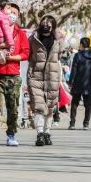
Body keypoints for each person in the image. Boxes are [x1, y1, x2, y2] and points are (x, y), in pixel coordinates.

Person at [0, 3, 29, 147]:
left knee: (12, 107)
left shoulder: (20, 33)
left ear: (18, 15)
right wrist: (0, 46)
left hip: (13, 75)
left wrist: (10, 58)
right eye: (9, 11)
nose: (11, 14)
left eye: (14, 12)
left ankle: (11, 134)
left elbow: (26, 53)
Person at [27, 15, 61, 146]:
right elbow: (28, 54)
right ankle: (40, 134)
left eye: (48, 22)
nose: (45, 23)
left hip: (52, 76)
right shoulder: (33, 38)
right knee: (39, 106)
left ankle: (47, 132)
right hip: (36, 75)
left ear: (53, 25)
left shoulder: (58, 40)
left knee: (50, 106)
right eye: (43, 21)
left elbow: (61, 54)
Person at [67, 37, 91, 130]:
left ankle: (72, 124)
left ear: (81, 44)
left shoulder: (77, 55)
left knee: (74, 103)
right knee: (88, 104)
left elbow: (73, 70)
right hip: (89, 83)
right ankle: (86, 124)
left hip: (77, 82)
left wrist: (70, 82)